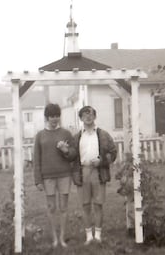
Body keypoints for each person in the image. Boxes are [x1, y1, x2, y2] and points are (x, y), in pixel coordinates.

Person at [71, 105, 117, 245]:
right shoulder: (77, 137)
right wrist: (65, 150)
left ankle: (98, 235)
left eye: (90, 114)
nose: (88, 117)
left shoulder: (103, 134)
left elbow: (113, 153)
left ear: (94, 116)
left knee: (98, 205)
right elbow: (72, 156)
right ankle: (88, 236)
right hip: (82, 172)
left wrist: (102, 160)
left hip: (98, 172)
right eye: (85, 115)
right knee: (85, 206)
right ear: (81, 118)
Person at [33, 103, 75, 248]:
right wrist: (38, 179)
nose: (55, 119)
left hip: (64, 175)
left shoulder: (66, 133)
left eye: (57, 115)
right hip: (47, 177)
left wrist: (65, 150)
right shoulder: (40, 135)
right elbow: (36, 159)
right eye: (52, 116)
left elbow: (74, 155)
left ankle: (62, 238)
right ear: (47, 117)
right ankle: (55, 238)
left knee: (63, 207)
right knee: (51, 207)